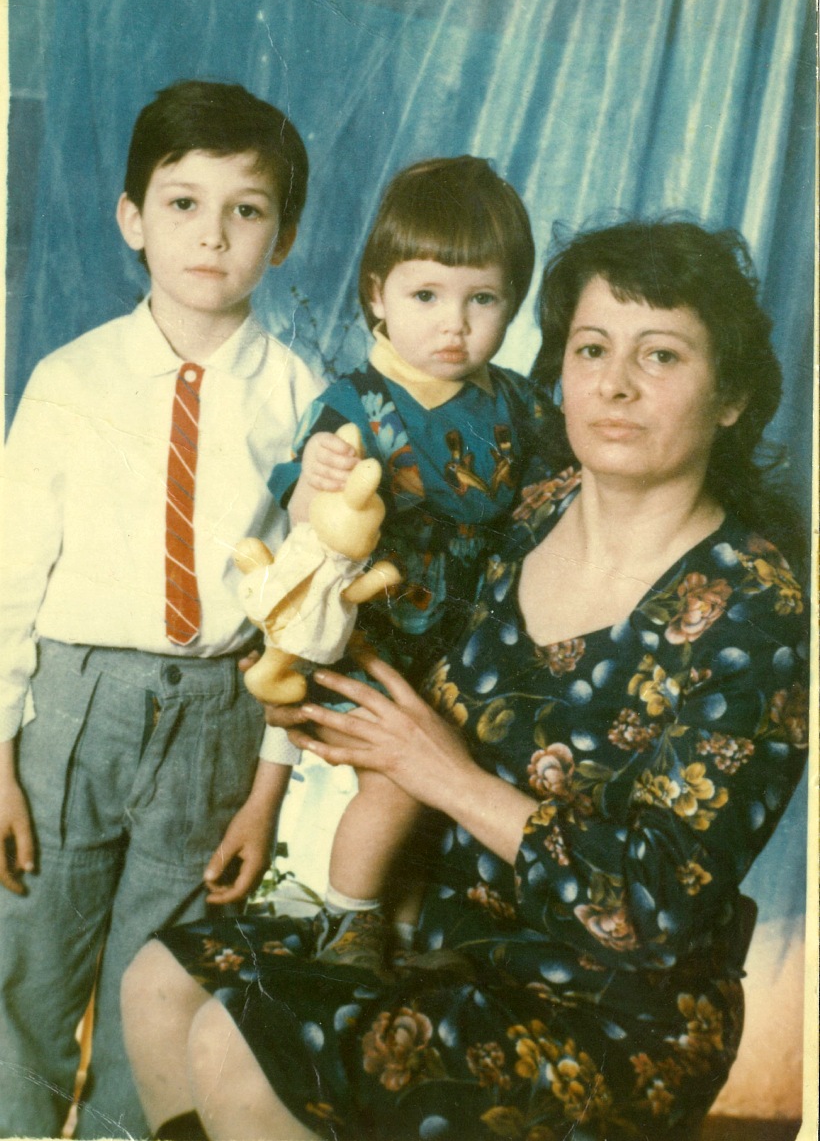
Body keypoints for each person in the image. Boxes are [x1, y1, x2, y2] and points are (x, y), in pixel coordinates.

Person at [122, 218, 808, 1141]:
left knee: (242, 1039)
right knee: (160, 985)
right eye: (592, 348)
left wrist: (442, 772)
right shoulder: (530, 510)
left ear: (731, 395)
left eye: (661, 355)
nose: (615, 383)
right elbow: (413, 681)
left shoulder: (756, 605)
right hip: (437, 923)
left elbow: (657, 908)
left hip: (611, 1002)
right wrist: (319, 684)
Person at [0, 80, 322, 1139]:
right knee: (24, 971)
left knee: (159, 986)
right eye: (183, 203)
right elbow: (8, 576)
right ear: (132, 217)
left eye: (247, 209)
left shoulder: (303, 399)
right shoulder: (70, 379)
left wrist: (269, 784)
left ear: (283, 237)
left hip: (216, 720)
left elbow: (305, 615)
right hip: (68, 712)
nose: (213, 235)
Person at [261, 156, 553, 969]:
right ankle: (348, 919)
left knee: (452, 794)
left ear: (512, 304)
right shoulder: (353, 403)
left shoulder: (518, 404)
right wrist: (318, 481)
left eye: (482, 300)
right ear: (378, 295)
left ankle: (405, 927)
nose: (454, 324)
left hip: (474, 644)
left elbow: (563, 491)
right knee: (396, 782)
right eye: (426, 296)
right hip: (378, 641)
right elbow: (304, 517)